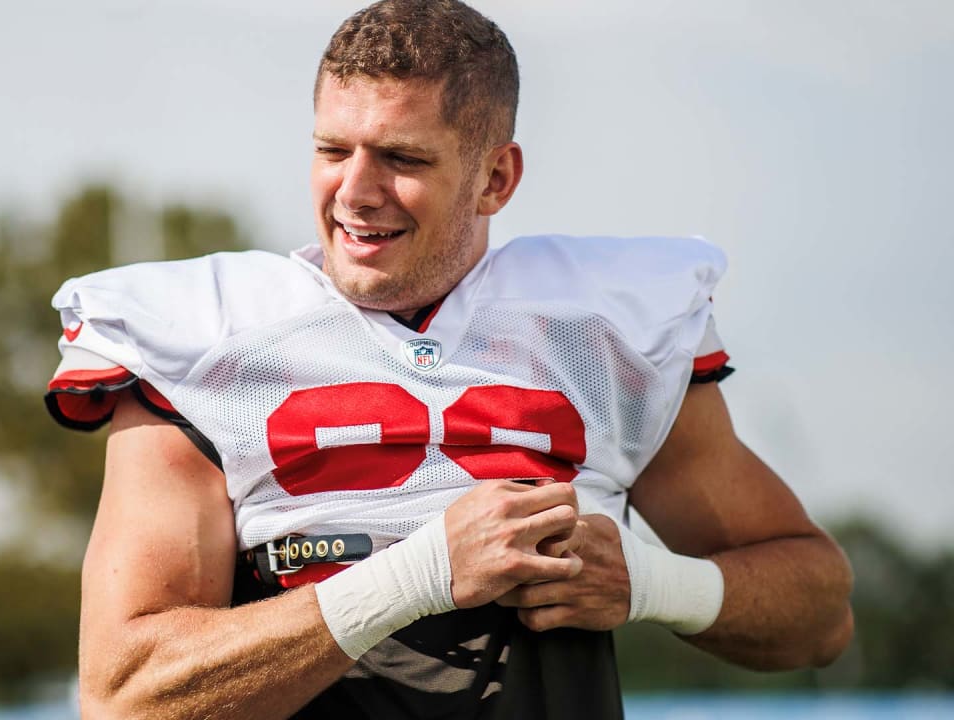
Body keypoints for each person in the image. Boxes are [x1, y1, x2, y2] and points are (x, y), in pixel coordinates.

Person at [44, 1, 854, 718]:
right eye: (333, 149)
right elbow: (126, 696)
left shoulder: (603, 330)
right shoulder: (204, 342)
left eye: (402, 158)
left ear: (495, 176)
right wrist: (416, 576)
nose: (355, 192)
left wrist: (652, 586)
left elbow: (820, 616)